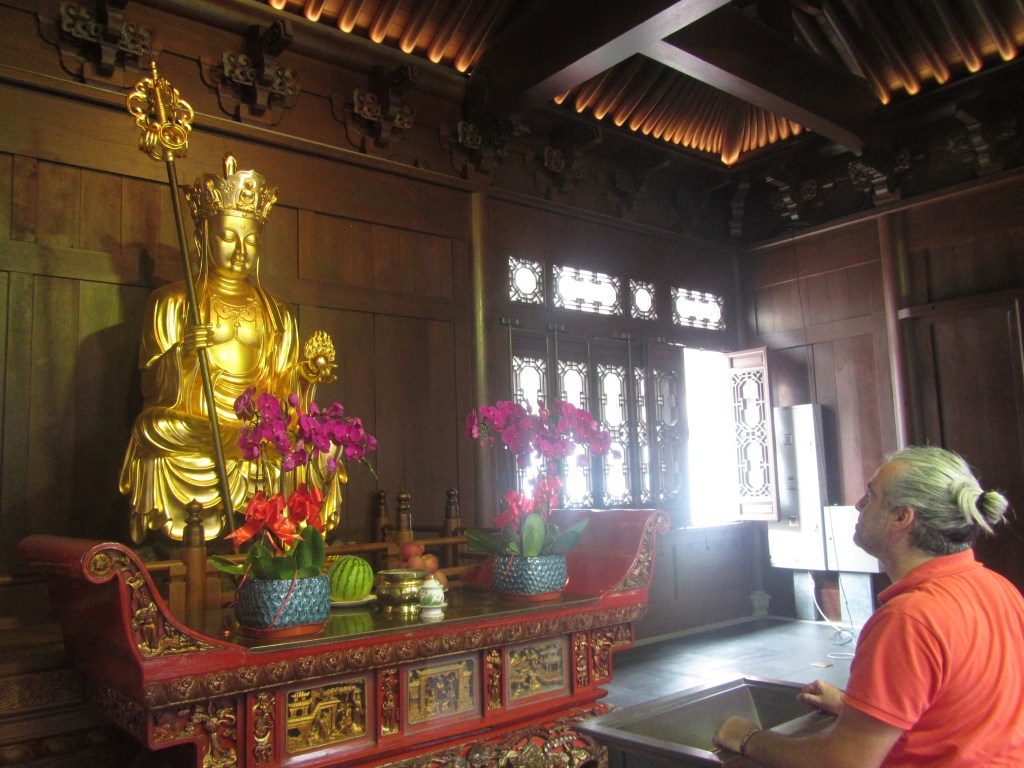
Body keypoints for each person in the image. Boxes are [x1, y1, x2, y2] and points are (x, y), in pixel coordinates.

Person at [714, 445, 1024, 767]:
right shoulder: (999, 588)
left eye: (871, 495)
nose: (859, 504)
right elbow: (961, 709)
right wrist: (859, 708)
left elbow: (844, 763)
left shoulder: (908, 619)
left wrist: (749, 738)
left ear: (901, 517)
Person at [120, 155, 337, 544]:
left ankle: (282, 531)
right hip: (199, 422)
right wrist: (185, 355)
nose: (241, 251)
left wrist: (305, 375)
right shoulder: (173, 300)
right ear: (203, 239)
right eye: (228, 238)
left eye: (251, 241)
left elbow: (282, 386)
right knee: (154, 428)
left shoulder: (278, 312)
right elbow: (151, 387)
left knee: (320, 441)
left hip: (259, 429)